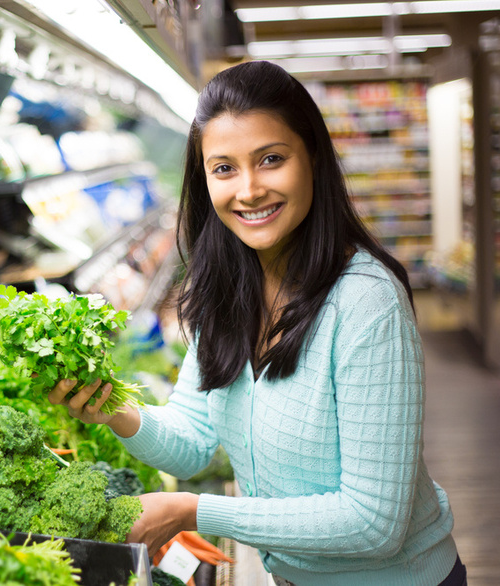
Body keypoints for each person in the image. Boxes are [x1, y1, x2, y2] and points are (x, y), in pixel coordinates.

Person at [48, 60, 466, 586]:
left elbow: (373, 523)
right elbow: (191, 439)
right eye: (224, 168)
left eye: (270, 159)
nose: (248, 189)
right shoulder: (221, 290)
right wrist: (112, 406)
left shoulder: (365, 301)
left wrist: (194, 511)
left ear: (312, 156)